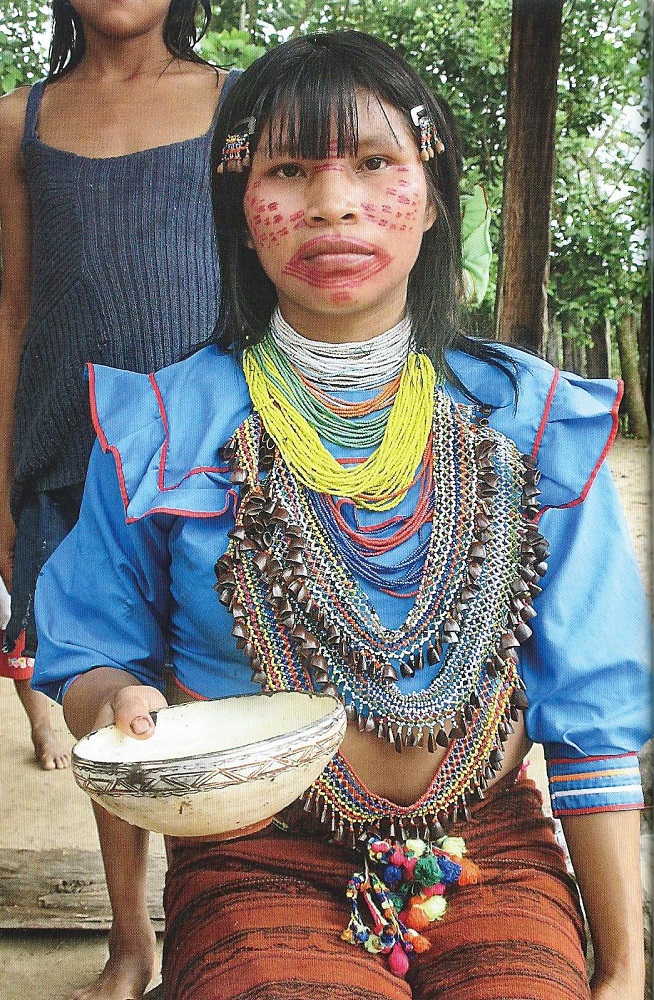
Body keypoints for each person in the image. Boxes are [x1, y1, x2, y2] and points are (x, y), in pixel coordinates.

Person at [33, 30, 650, 1000]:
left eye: (373, 162)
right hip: (254, 853)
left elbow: (593, 713)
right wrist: (118, 704)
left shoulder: (531, 424)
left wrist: (621, 968)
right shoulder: (165, 428)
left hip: (486, 849)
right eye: (288, 169)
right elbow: (95, 652)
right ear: (240, 211)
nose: (332, 202)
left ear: (433, 196)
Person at [0, 1, 241, 996]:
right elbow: (14, 309)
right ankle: (131, 938)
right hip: (67, 446)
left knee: (211, 692)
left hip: (209, 452)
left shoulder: (240, 102)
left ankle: (225, 918)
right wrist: (4, 483)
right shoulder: (18, 121)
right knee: (109, 701)